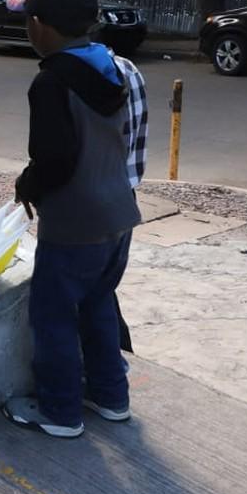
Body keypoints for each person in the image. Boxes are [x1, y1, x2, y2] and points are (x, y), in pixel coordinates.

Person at [2, 0, 142, 438]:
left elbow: (55, 160)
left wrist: (28, 184)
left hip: (75, 223)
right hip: (119, 217)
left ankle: (60, 412)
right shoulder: (111, 67)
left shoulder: (51, 82)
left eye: (28, 23)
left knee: (53, 316)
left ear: (40, 25)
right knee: (98, 303)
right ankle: (110, 396)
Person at [112, 51, 147, 353]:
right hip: (125, 196)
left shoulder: (79, 74)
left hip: (95, 201)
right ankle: (120, 364)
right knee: (103, 291)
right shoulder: (128, 68)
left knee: (90, 294)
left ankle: (108, 380)